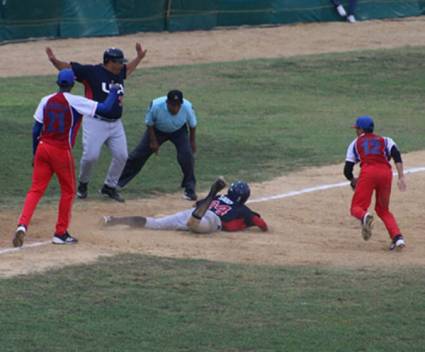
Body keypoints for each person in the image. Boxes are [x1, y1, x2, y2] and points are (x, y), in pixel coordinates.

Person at [13, 69, 120, 247]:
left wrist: (35, 153)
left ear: (58, 83)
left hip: (42, 148)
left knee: (35, 190)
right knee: (68, 191)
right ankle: (60, 233)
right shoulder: (76, 101)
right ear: (72, 84)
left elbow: (35, 130)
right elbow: (106, 109)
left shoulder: (45, 100)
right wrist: (115, 91)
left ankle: (22, 225)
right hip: (60, 151)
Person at [45, 43, 147, 202]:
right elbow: (68, 69)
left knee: (122, 156)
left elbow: (129, 69)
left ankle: (109, 186)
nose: (121, 65)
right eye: (118, 62)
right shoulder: (92, 72)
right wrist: (54, 60)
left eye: (121, 62)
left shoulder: (119, 73)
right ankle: (83, 184)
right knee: (91, 156)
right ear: (109, 61)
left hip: (116, 124)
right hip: (95, 122)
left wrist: (139, 58)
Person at [103, 178, 268, 234]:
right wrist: (252, 225)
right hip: (210, 221)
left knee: (156, 223)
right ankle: (209, 194)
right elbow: (262, 224)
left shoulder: (219, 198)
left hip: (197, 211)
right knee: (193, 224)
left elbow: (197, 204)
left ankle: (114, 220)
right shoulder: (242, 209)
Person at [117, 90, 198, 201]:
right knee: (137, 155)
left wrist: (192, 142)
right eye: (172, 105)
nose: (175, 108)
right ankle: (117, 183)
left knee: (187, 156)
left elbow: (192, 125)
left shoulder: (187, 107)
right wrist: (153, 141)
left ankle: (190, 189)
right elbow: (149, 123)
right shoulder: (156, 105)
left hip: (179, 131)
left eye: (177, 105)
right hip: (157, 130)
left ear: (181, 104)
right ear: (167, 102)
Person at [344, 115, 406, 251]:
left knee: (356, 208)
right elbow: (397, 156)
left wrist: (354, 181)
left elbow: (347, 170)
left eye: (356, 128)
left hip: (368, 173)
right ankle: (398, 238)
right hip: (386, 174)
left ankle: (364, 216)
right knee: (383, 210)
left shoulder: (355, 143)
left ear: (361, 130)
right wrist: (401, 176)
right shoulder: (386, 140)